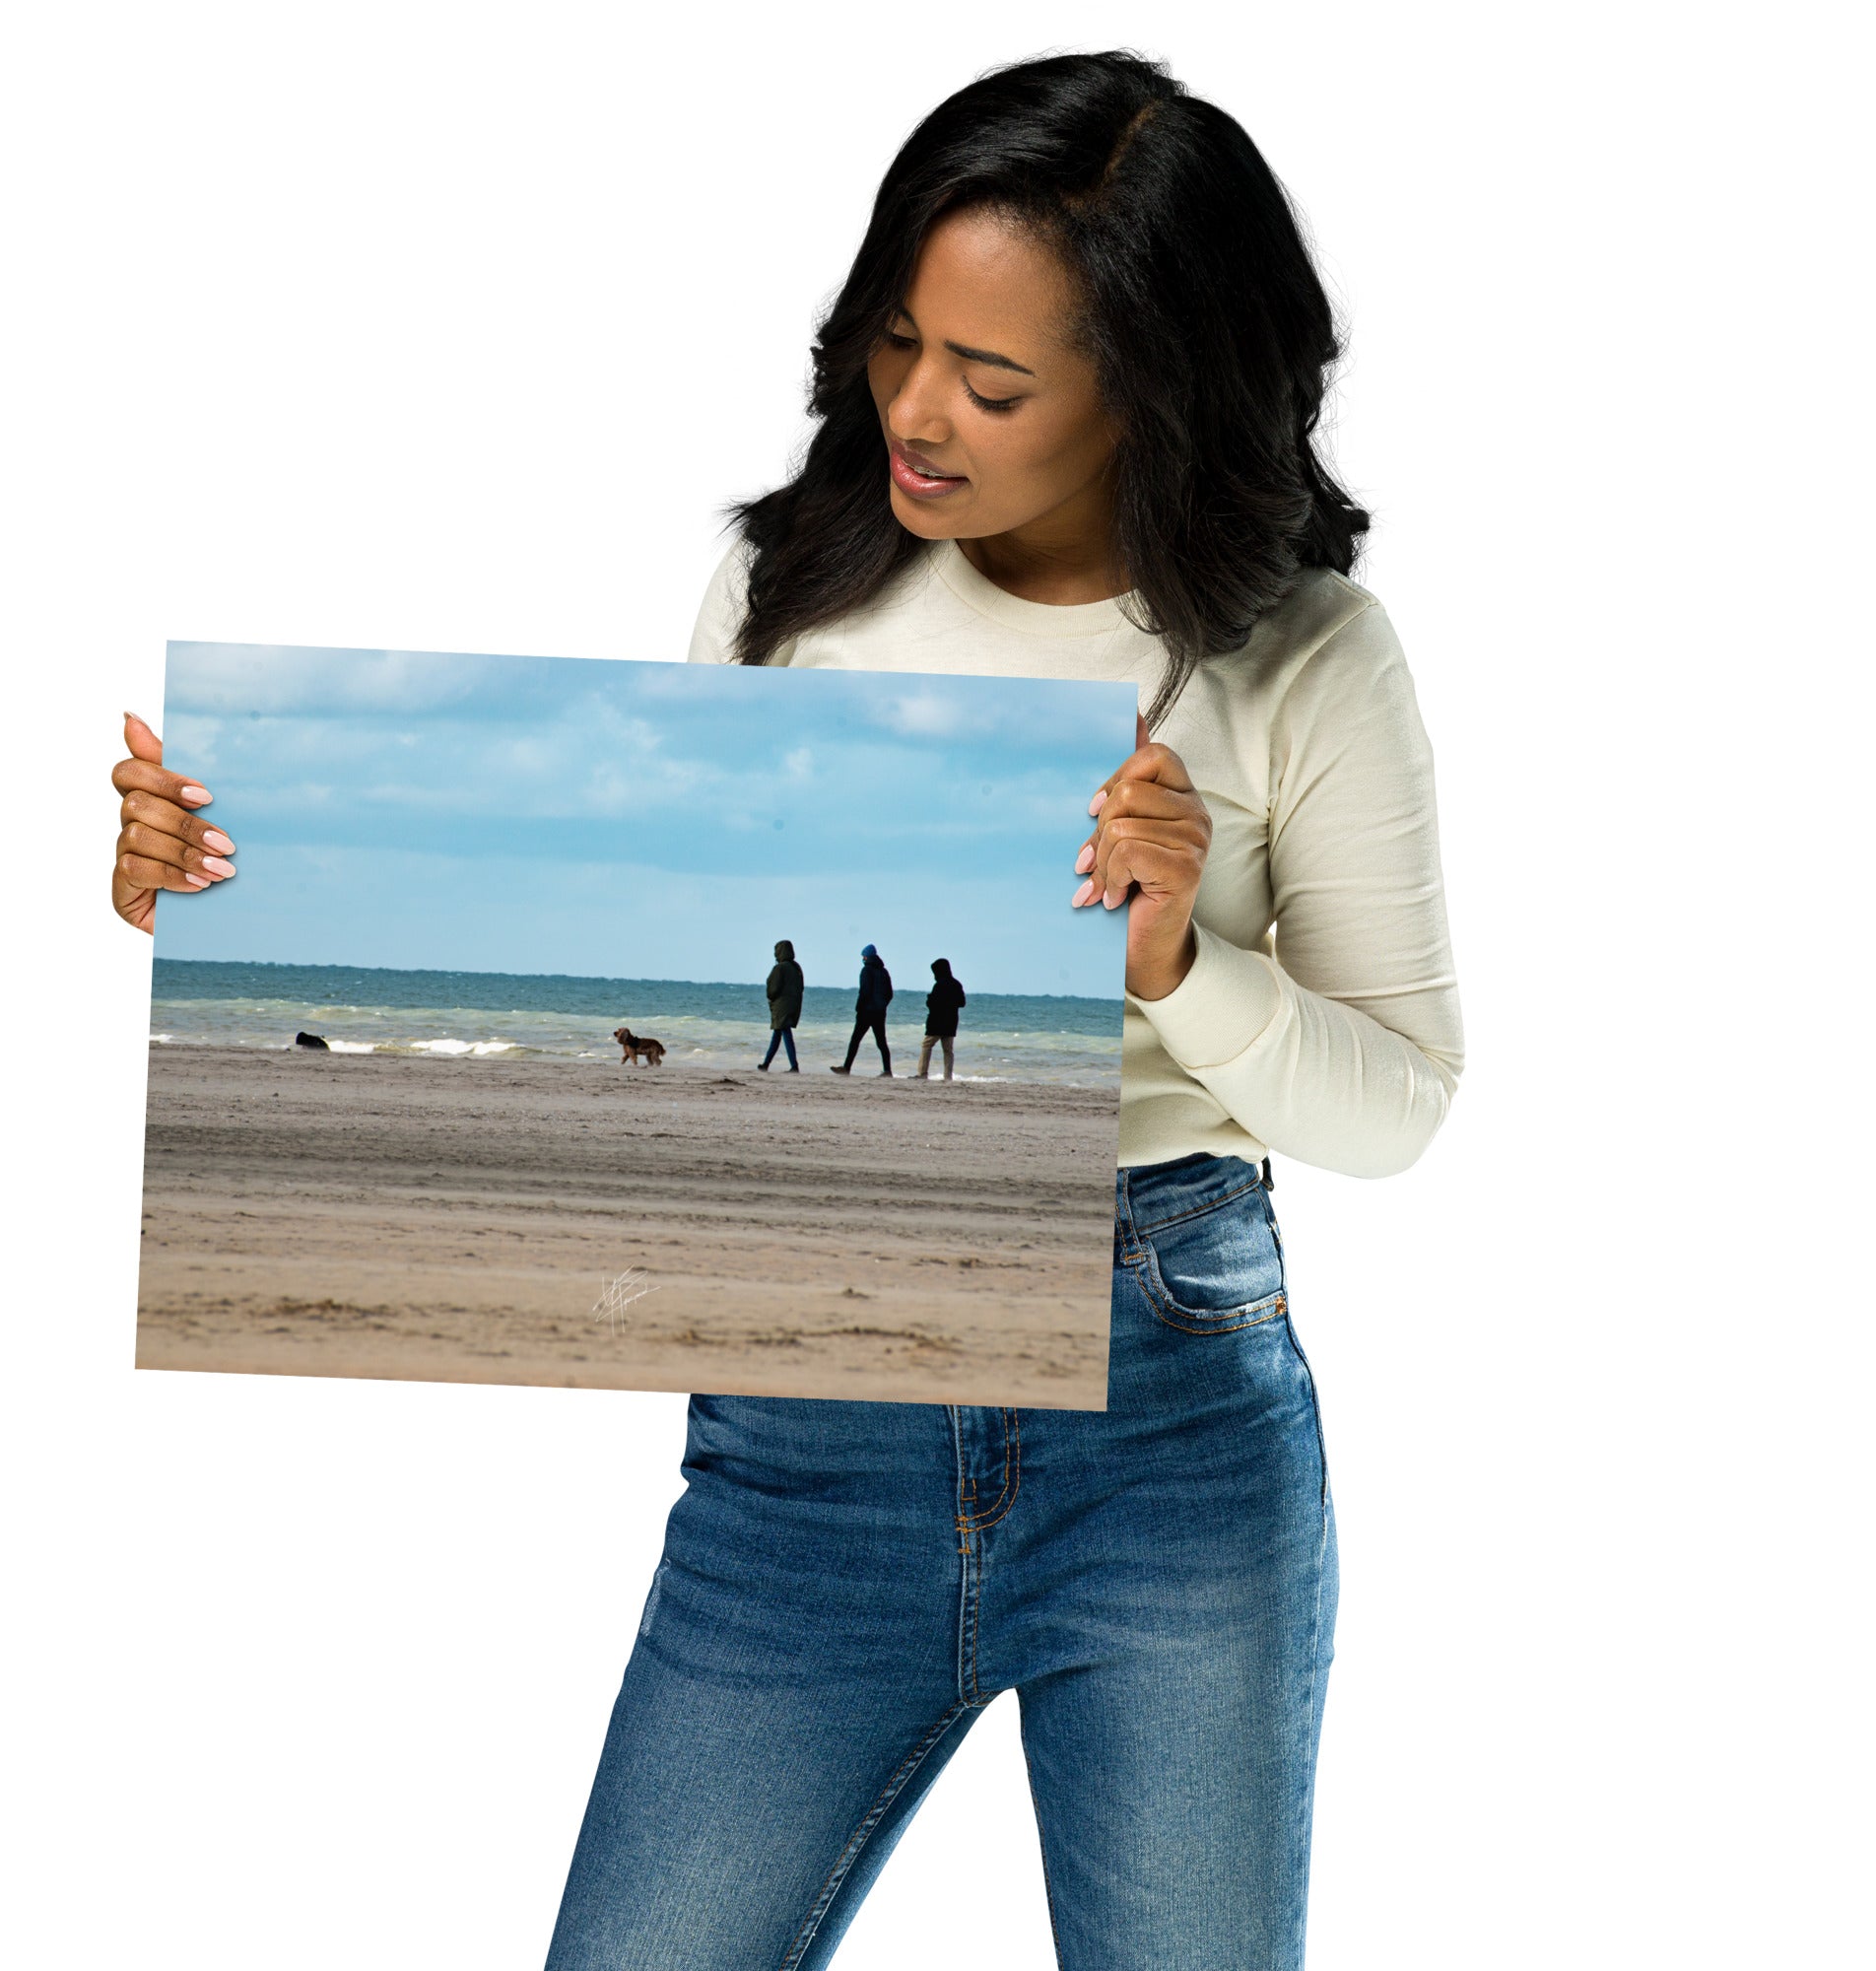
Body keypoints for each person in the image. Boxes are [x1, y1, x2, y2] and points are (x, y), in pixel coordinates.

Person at [110, 50, 1463, 1968]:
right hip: (804, 1456)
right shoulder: (785, 589)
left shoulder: (1303, 654)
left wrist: (1178, 964)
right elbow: (648, 1002)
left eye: (991, 382)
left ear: (1153, 388)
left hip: (1164, 1422)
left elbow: (1399, 1103)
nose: (916, 410)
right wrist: (234, 894)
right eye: (896, 342)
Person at [830, 942, 894, 1077]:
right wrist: (882, 1005)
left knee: (855, 1040)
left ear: (866, 957)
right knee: (881, 1042)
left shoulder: (866, 970)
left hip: (866, 1012)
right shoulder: (884, 971)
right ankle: (887, 1070)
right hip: (880, 1012)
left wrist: (859, 1007)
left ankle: (846, 1068)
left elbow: (865, 992)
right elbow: (889, 994)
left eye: (863, 956)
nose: (863, 959)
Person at [758, 937, 804, 1071]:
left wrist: (771, 998)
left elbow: (772, 989)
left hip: (781, 1006)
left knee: (785, 1034)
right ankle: (766, 1064)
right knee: (777, 1034)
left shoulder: (779, 968)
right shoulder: (796, 967)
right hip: (794, 1004)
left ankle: (794, 1066)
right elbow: (801, 987)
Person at [915, 957, 965, 1080]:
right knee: (948, 1050)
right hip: (951, 1022)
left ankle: (922, 1073)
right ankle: (948, 1077)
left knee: (927, 1045)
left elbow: (932, 1004)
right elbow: (962, 1002)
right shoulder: (956, 984)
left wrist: (930, 998)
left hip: (937, 1022)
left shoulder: (939, 985)